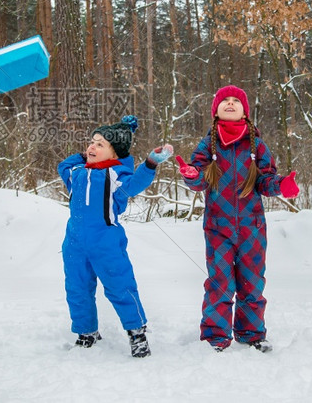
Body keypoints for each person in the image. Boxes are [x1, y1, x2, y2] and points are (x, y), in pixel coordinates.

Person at [175, 85, 299, 353]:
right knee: (220, 283)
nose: (230, 104)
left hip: (251, 227)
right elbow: (198, 177)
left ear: (245, 110)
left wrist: (281, 185)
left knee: (252, 282)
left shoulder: (257, 145)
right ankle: (215, 337)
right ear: (216, 110)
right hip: (217, 226)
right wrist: (191, 175)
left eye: (236, 101)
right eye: (225, 101)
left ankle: (251, 333)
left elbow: (265, 181)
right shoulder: (208, 143)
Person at [57, 115, 173, 358]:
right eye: (91, 142)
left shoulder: (116, 176)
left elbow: (136, 183)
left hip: (106, 244)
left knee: (120, 286)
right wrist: (84, 156)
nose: (92, 147)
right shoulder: (77, 173)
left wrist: (150, 163)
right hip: (74, 245)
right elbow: (63, 167)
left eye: (100, 144)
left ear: (114, 154)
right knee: (77, 288)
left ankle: (136, 333)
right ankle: (86, 332)